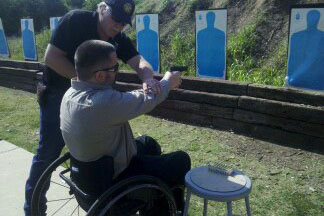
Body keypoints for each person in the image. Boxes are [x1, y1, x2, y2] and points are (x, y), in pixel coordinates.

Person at [24, 0, 162, 215]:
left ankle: (107, 199)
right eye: (115, 19)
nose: (118, 26)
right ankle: (33, 210)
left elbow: (140, 61)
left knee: (105, 153)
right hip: (58, 95)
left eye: (124, 23)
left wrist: (148, 78)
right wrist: (87, 85)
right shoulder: (75, 20)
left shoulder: (118, 39)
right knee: (47, 154)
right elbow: (51, 57)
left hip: (95, 103)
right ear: (102, 8)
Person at [60, 39, 191, 214]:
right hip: (115, 176)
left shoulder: (70, 94)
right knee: (181, 160)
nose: (117, 71)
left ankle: (155, 201)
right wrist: (168, 81)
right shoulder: (101, 103)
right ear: (99, 75)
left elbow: (128, 100)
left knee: (148, 143)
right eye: (115, 68)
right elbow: (147, 99)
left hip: (90, 172)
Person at [287, 9, 324, 90]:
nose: (312, 21)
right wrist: (289, 76)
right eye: (310, 18)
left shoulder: (322, 36)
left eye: (314, 18)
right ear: (307, 19)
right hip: (297, 80)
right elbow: (292, 58)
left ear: (318, 20)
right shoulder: (296, 36)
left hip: (316, 80)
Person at [197, 11, 225, 77]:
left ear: (214, 19)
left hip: (217, 70)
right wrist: (199, 65)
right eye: (209, 18)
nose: (210, 20)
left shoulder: (220, 33)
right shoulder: (200, 33)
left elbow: (222, 52)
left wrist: (221, 67)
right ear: (206, 19)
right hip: (204, 69)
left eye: (211, 18)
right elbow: (199, 51)